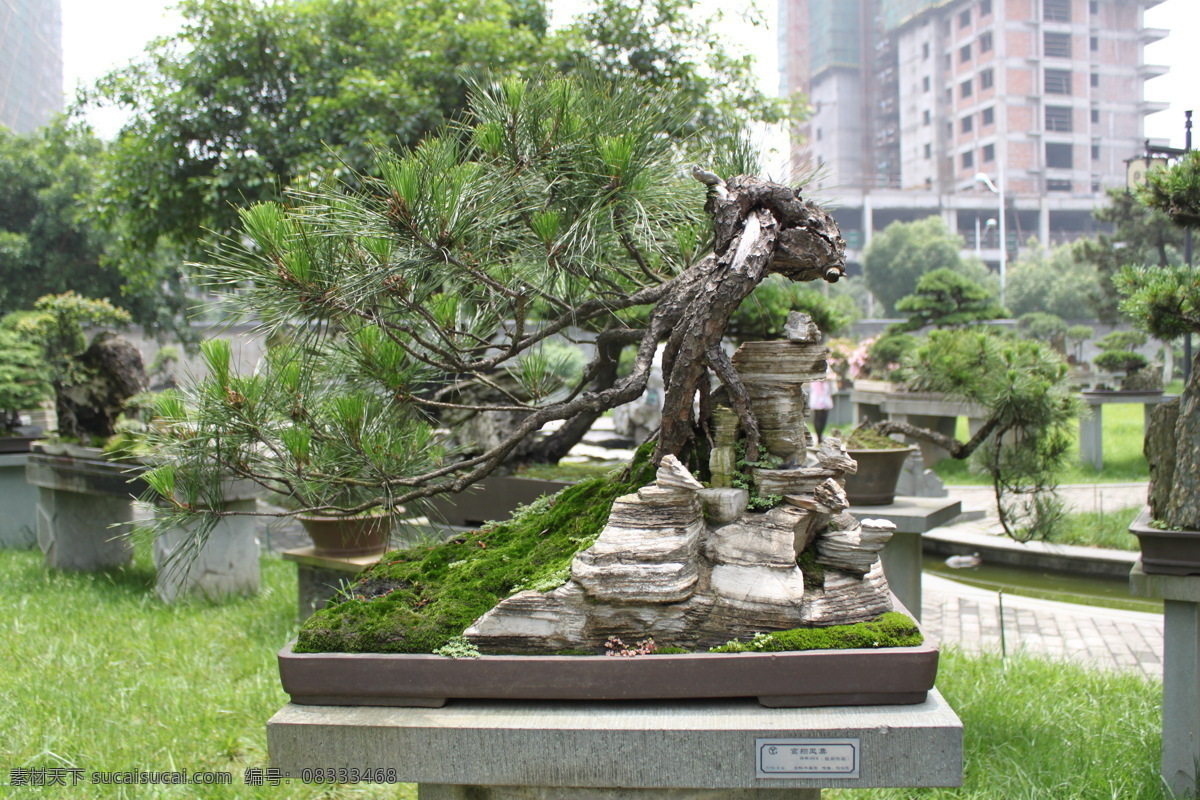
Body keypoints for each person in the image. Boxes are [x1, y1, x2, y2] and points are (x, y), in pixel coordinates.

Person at [808, 366, 835, 443]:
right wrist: (830, 377)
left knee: (824, 416)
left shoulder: (827, 364)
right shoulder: (816, 364)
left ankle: (820, 435)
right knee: (819, 416)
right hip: (818, 393)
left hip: (825, 393)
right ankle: (819, 437)